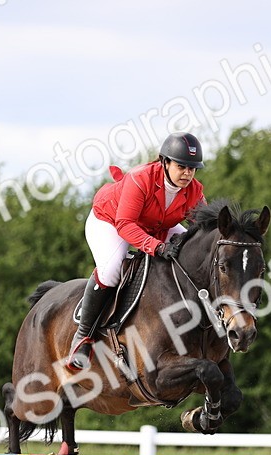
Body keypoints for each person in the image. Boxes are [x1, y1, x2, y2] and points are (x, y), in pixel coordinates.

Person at [67, 132, 206, 370]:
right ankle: (83, 336)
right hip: (111, 221)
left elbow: (205, 226)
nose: (187, 173)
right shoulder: (140, 179)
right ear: (165, 162)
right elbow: (125, 224)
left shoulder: (193, 190)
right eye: (182, 166)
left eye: (192, 168)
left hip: (157, 223)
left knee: (193, 252)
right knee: (111, 269)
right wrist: (156, 246)